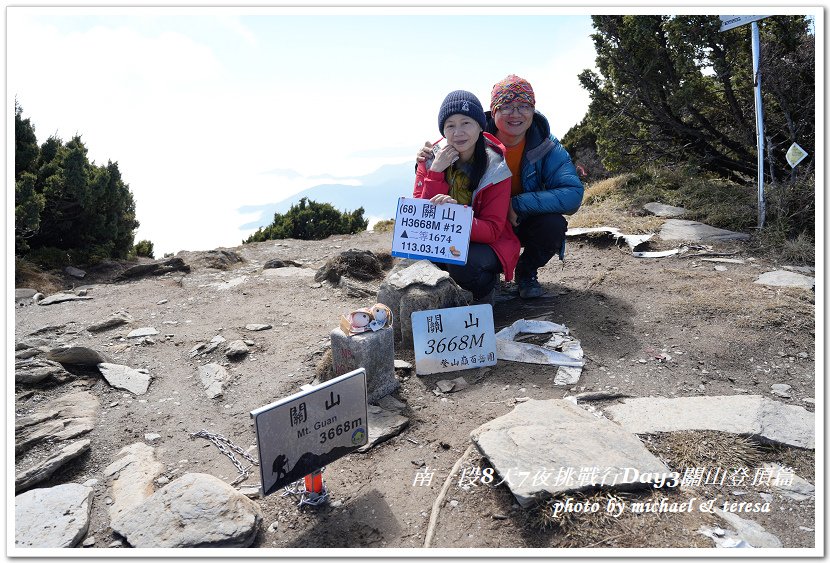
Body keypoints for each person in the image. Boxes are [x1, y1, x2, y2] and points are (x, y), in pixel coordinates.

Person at [413, 90, 520, 304]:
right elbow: (419, 222)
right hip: (442, 239)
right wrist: (435, 173)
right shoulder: (430, 160)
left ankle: (484, 293)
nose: (458, 132)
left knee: (463, 263)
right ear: (443, 130)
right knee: (414, 259)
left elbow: (492, 230)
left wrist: (456, 217)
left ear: (481, 126)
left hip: (484, 244)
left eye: (466, 123)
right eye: (450, 125)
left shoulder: (495, 166)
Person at [485, 74, 584, 298]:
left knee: (552, 226)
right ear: (494, 112)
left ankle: (526, 271)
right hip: (485, 220)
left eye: (524, 106)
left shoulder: (547, 145)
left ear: (533, 110)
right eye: (507, 106)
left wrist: (518, 205)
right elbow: (444, 170)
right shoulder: (474, 140)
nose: (516, 114)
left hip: (522, 219)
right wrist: (426, 160)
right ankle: (486, 278)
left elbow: (573, 194)